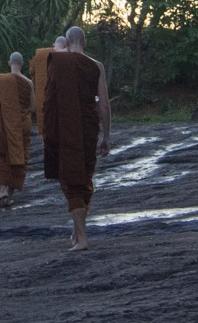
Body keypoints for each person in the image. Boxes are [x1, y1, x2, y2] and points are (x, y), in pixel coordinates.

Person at [43, 26, 111, 251]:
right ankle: (77, 231)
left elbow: (48, 99)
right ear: (85, 41)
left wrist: (48, 130)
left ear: (67, 40)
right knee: (83, 176)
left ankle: (82, 238)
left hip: (65, 128)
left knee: (73, 181)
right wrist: (107, 136)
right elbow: (104, 104)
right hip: (88, 127)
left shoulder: (58, 62)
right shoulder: (96, 66)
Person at [0, 51, 35, 206]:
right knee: (18, 156)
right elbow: (33, 106)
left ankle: (2, 190)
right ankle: (8, 195)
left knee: (1, 155)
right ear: (22, 64)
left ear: (9, 63)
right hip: (22, 123)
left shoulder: (1, 80)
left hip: (5, 122)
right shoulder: (28, 82)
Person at [31, 34, 67, 139]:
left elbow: (32, 72)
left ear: (54, 44)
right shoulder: (66, 55)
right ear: (65, 45)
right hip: (57, 95)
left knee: (45, 127)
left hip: (41, 94)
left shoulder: (39, 54)